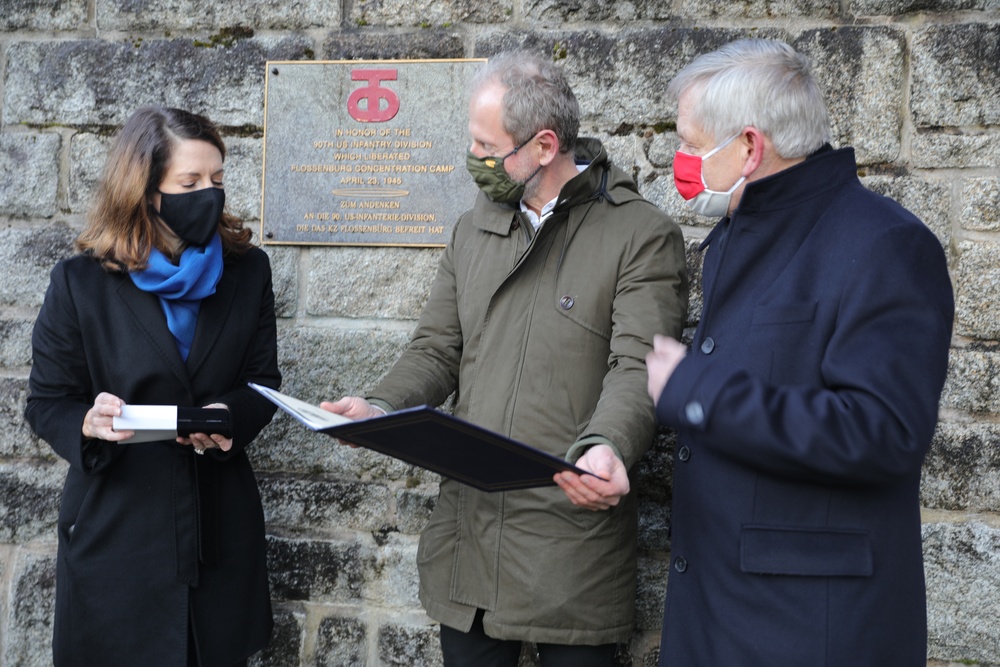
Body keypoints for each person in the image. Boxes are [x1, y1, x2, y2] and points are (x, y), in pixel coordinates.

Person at [322, 51, 688, 666]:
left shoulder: (639, 234)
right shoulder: (473, 227)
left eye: (486, 145)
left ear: (544, 146)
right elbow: (437, 347)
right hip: (471, 541)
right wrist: (379, 405)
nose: (474, 158)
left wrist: (607, 444)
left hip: (570, 539)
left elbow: (638, 365)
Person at [645, 39, 954, 666]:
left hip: (809, 632)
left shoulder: (885, 244)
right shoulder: (738, 233)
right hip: (717, 616)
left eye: (692, 142)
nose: (680, 161)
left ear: (750, 147)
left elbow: (883, 432)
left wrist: (697, 392)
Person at [24, 106, 281, 667]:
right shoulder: (80, 282)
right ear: (144, 189)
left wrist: (226, 416)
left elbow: (262, 384)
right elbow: (46, 402)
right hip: (117, 536)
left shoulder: (248, 272)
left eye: (217, 180)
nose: (209, 194)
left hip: (220, 531)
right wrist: (87, 424)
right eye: (190, 183)